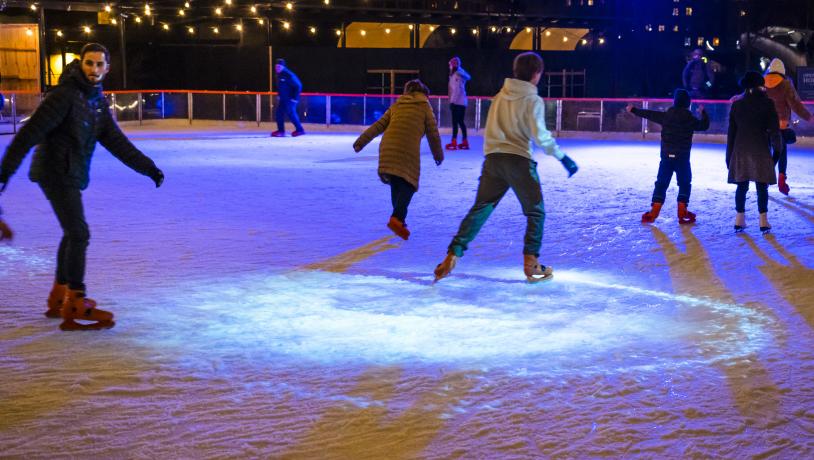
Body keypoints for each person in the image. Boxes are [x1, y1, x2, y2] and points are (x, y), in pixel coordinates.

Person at [0, 43, 164, 331]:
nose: (94, 69)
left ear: (107, 68)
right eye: (89, 63)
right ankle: (75, 299)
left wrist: (147, 167)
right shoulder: (64, 96)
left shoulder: (97, 102)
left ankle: (59, 297)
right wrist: (4, 175)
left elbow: (117, 142)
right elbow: (28, 135)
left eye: (100, 64)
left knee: (71, 232)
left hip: (71, 174)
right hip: (54, 173)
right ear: (81, 64)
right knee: (79, 233)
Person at [433, 52, 578, 283]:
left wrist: (493, 152)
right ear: (536, 74)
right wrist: (562, 157)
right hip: (519, 160)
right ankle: (531, 265)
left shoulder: (500, 96)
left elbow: (490, 127)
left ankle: (454, 253)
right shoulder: (532, 100)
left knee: (481, 207)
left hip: (493, 160)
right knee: (536, 211)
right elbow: (540, 136)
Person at [353, 79, 444, 240]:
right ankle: (397, 217)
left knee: (396, 182)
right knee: (409, 183)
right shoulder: (424, 106)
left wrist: (361, 142)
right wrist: (438, 154)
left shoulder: (397, 105)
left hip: (388, 147)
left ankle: (399, 220)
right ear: (424, 93)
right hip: (406, 149)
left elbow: (379, 125)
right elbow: (433, 133)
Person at [626, 89, 710, 224]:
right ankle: (682, 212)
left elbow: (649, 114)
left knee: (661, 183)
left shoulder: (667, 116)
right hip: (682, 158)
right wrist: (703, 113)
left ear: (675, 102)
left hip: (666, 157)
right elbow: (704, 125)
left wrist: (634, 110)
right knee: (684, 183)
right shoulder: (690, 119)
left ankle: (654, 211)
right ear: (687, 103)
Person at [726, 71, 782, 234]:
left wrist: (729, 156)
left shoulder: (737, 105)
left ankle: (739, 219)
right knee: (761, 187)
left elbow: (731, 133)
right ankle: (763, 221)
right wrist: (777, 153)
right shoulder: (768, 104)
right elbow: (774, 132)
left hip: (740, 150)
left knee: (741, 186)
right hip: (761, 150)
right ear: (760, 86)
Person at [763, 58, 812, 195]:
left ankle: (765, 179)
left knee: (767, 152)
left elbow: (750, 96)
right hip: (781, 126)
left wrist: (738, 97)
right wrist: (809, 117)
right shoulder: (785, 84)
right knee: (782, 152)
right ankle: (781, 179)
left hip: (765, 125)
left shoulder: (762, 82)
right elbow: (795, 104)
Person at [270, 58, 305, 137]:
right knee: (279, 114)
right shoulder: (278, 75)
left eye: (279, 67)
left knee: (291, 114)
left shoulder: (288, 74)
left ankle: (300, 130)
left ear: (283, 67)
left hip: (290, 99)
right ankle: (281, 131)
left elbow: (298, 86)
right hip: (283, 99)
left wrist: (294, 98)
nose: (277, 68)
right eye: (276, 67)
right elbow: (280, 86)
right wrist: (279, 95)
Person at [446, 56, 471, 151]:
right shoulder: (457, 74)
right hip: (461, 102)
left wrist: (452, 101)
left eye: (450, 65)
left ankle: (454, 141)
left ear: (453, 65)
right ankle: (464, 141)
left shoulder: (456, 75)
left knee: (455, 122)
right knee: (460, 121)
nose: (450, 66)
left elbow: (457, 90)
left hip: (457, 102)